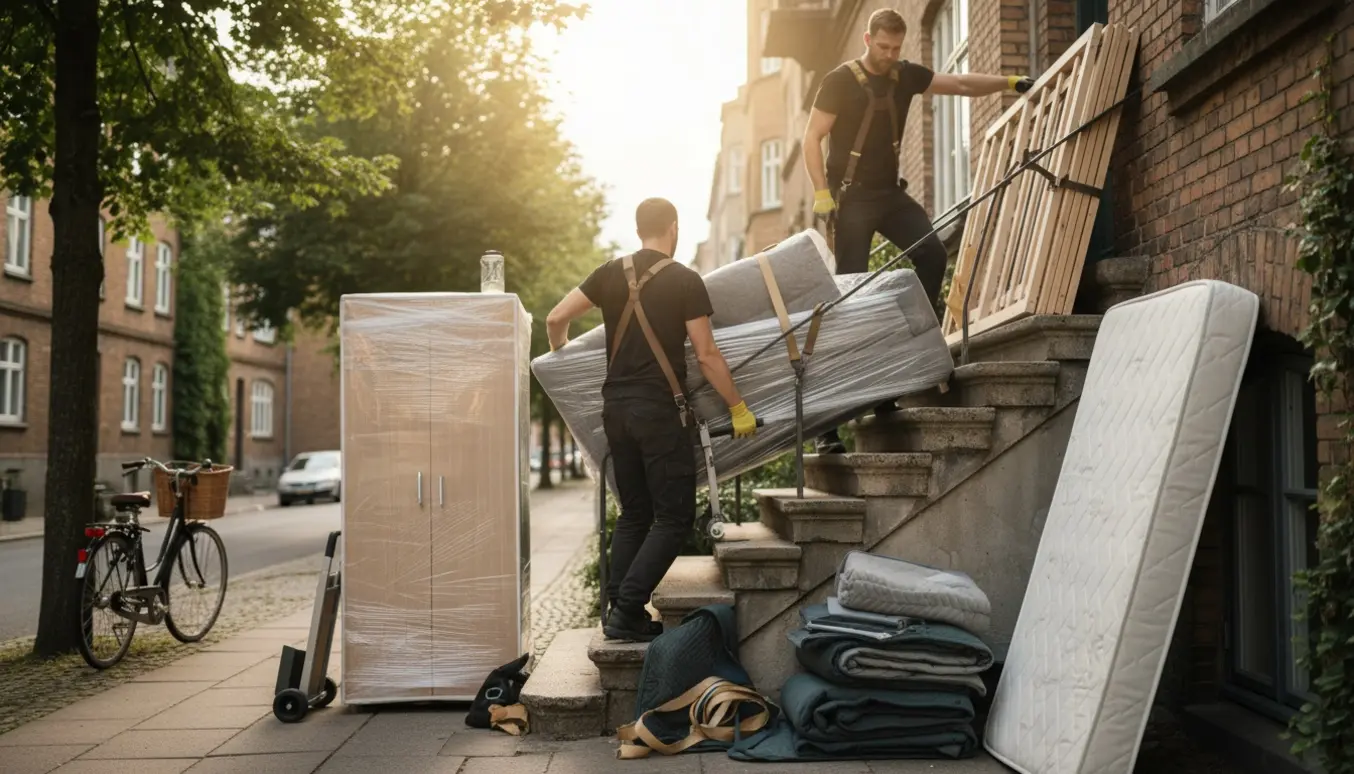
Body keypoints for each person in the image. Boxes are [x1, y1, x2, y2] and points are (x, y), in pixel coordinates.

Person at [803, 7, 1033, 454]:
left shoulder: (904, 75)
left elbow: (961, 84)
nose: (890, 55)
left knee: (930, 255)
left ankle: (904, 355)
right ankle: (829, 425)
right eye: (883, 47)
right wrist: (820, 193)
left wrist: (1009, 83)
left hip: (889, 195)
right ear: (867, 40)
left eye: (896, 48)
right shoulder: (838, 81)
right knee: (847, 299)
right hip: (850, 200)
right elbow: (811, 137)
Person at [546, 197, 758, 642]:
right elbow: (706, 354)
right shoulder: (684, 280)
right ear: (674, 229)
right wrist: (738, 406)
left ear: (639, 228)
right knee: (673, 516)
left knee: (634, 512)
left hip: (615, 412)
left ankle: (615, 609)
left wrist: (562, 358)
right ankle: (626, 610)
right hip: (659, 412)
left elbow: (555, 318)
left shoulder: (609, 273)